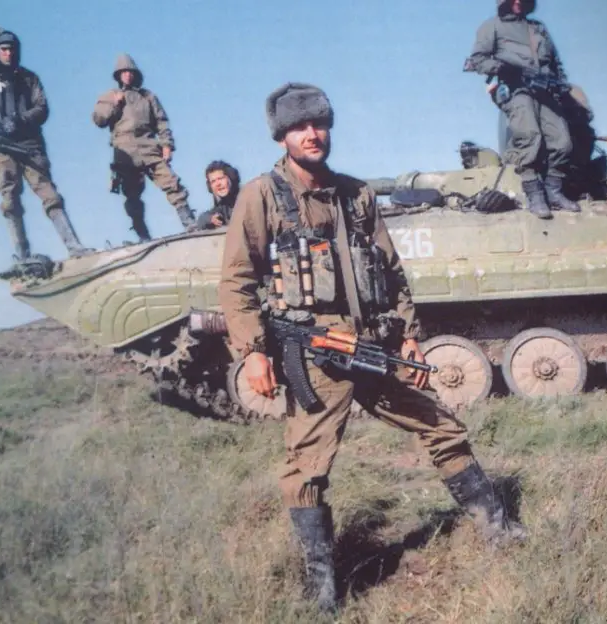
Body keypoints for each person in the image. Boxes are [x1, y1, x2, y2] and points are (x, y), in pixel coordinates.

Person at [218, 82, 526, 613]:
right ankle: (323, 591)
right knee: (308, 468)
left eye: (319, 123)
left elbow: (391, 271)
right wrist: (252, 351)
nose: (312, 134)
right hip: (315, 355)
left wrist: (409, 336)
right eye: (299, 127)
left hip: (373, 348)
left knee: (442, 427)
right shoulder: (261, 196)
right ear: (282, 136)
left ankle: (498, 531)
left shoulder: (357, 195)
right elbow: (237, 280)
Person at [0, 27, 92, 271]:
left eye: (11, 49)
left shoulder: (29, 78)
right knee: (10, 199)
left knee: (50, 195)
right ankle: (22, 256)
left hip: (30, 145)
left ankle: (74, 246)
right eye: (3, 49)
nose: (8, 53)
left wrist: (20, 119)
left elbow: (42, 108)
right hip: (1, 147)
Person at [464, 0, 581, 220]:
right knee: (528, 136)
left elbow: (556, 64)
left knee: (562, 142)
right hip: (515, 89)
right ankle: (534, 194)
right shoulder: (493, 26)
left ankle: (554, 191)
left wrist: (561, 87)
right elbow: (477, 60)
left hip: (545, 91)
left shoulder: (538, 28)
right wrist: (502, 69)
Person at [92, 54, 195, 242]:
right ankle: (142, 235)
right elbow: (99, 120)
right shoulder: (110, 96)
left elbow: (161, 122)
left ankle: (189, 223)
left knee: (171, 182)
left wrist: (167, 144)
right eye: (123, 72)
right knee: (131, 194)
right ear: (118, 75)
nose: (127, 75)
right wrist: (115, 103)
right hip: (125, 150)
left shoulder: (147, 96)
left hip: (149, 145)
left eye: (130, 71)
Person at [196, 160, 240, 229]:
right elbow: (201, 219)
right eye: (213, 181)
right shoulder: (222, 207)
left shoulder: (246, 197)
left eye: (220, 178)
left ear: (231, 178)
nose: (218, 184)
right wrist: (210, 219)